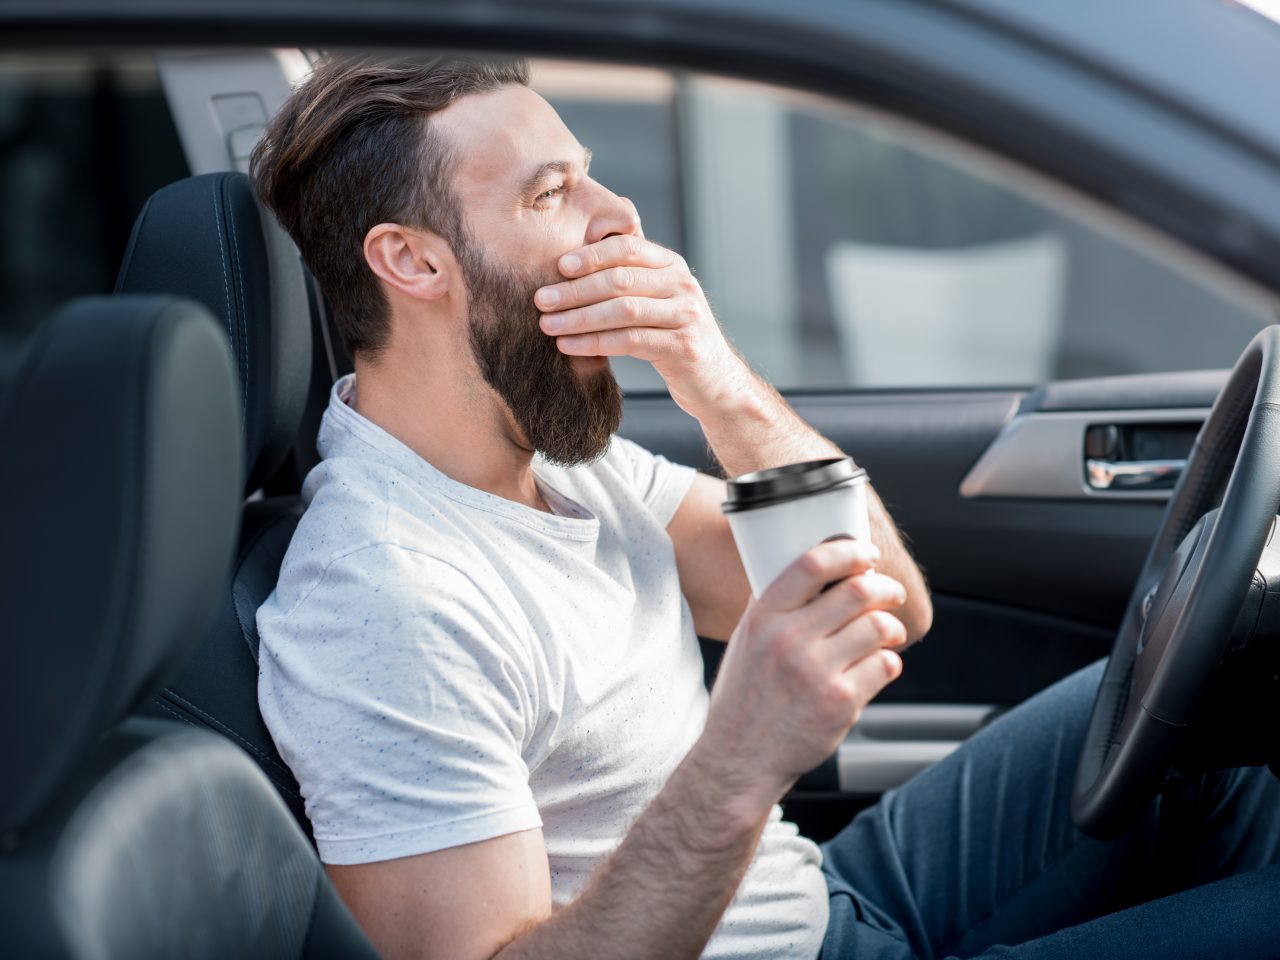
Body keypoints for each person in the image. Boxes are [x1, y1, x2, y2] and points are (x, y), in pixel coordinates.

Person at [252, 55, 1280, 960]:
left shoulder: (557, 459)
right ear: (412, 261)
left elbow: (883, 602)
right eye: (552, 192)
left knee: (1204, 730)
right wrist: (741, 761)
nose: (619, 217)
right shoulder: (384, 601)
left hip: (826, 899)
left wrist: (719, 384)